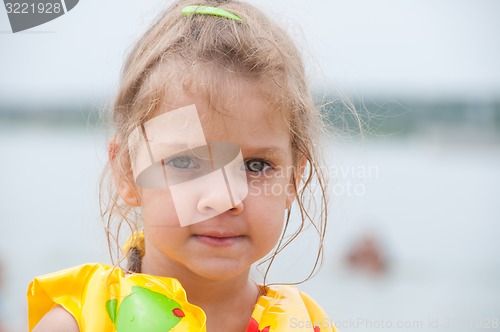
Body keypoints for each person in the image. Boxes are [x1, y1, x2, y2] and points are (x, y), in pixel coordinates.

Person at [27, 0, 335, 331]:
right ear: (128, 173)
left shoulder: (305, 323)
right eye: (185, 161)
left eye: (256, 165)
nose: (223, 198)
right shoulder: (81, 322)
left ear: (293, 180)